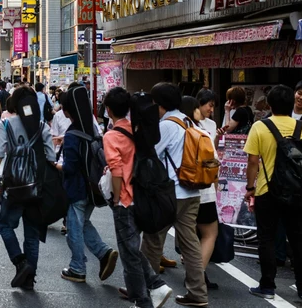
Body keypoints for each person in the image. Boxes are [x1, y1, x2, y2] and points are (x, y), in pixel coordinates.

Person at [103, 87, 173, 308]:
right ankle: (155, 286)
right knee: (131, 248)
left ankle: (143, 299)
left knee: (129, 253)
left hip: (124, 199)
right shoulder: (136, 130)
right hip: (142, 195)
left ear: (108, 110)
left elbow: (116, 170)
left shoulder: (112, 135)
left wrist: (115, 197)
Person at [243, 85, 302, 302]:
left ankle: (268, 285)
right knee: (298, 238)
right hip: (296, 191)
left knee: (267, 238)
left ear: (270, 105)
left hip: (267, 190)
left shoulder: (260, 127)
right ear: (292, 103)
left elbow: (253, 161)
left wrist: (250, 187)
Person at [141, 83, 207, 307]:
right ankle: (198, 293)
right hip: (192, 192)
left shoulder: (167, 125)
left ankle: (144, 288)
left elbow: (151, 154)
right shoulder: (189, 121)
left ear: (158, 104)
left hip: (170, 193)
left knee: (151, 240)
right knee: (190, 243)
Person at [0, 86, 56, 290]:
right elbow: (51, 157)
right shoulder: (42, 125)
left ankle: (20, 262)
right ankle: (29, 278)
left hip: (14, 186)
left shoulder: (6, 124)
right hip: (37, 186)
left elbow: (0, 152)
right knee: (32, 232)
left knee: (5, 225)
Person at [60, 85, 119, 284]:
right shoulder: (91, 129)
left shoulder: (72, 135)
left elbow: (70, 167)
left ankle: (77, 267)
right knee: (82, 223)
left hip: (77, 189)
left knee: (74, 228)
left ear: (68, 111)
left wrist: (57, 166)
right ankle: (103, 253)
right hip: (94, 187)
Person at [191, 92, 220, 290]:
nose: (211, 110)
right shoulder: (196, 127)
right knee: (209, 232)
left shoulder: (211, 125)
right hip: (200, 186)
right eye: (209, 105)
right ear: (198, 104)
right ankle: (197, 276)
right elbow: (212, 158)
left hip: (197, 187)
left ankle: (196, 272)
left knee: (192, 231)